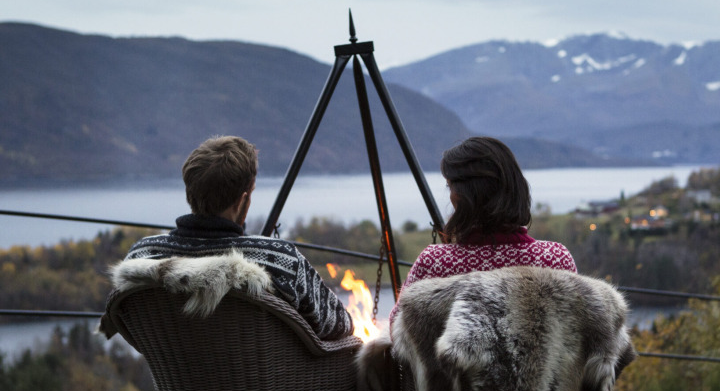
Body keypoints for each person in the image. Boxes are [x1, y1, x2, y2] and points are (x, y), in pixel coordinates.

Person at [124, 135, 353, 340]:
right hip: (271, 385)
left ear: (190, 192)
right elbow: (340, 326)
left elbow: (128, 325)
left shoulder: (142, 258)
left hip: (177, 385)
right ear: (242, 201)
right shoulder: (282, 263)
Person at [391, 136, 576, 319]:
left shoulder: (435, 263)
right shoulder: (555, 259)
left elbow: (397, 329)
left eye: (450, 187)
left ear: (463, 196)